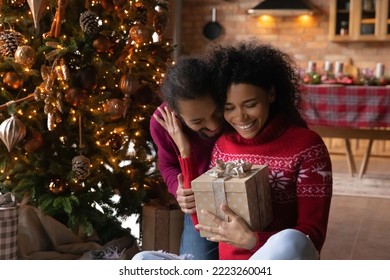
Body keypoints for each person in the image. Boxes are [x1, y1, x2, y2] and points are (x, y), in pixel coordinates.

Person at [134, 40, 332, 260]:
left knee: (291, 240)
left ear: (271, 94)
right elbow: (202, 218)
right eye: (228, 108)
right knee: (142, 260)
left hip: (271, 254)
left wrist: (252, 240)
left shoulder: (306, 146)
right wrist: (184, 152)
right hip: (218, 237)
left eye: (250, 104)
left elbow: (308, 239)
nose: (215, 125)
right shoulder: (220, 143)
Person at [148, 56, 225, 260]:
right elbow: (167, 164)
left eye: (217, 113)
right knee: (195, 262)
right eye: (198, 121)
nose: (213, 126)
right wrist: (178, 189)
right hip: (201, 201)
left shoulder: (231, 105)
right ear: (176, 114)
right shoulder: (160, 123)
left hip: (236, 189)